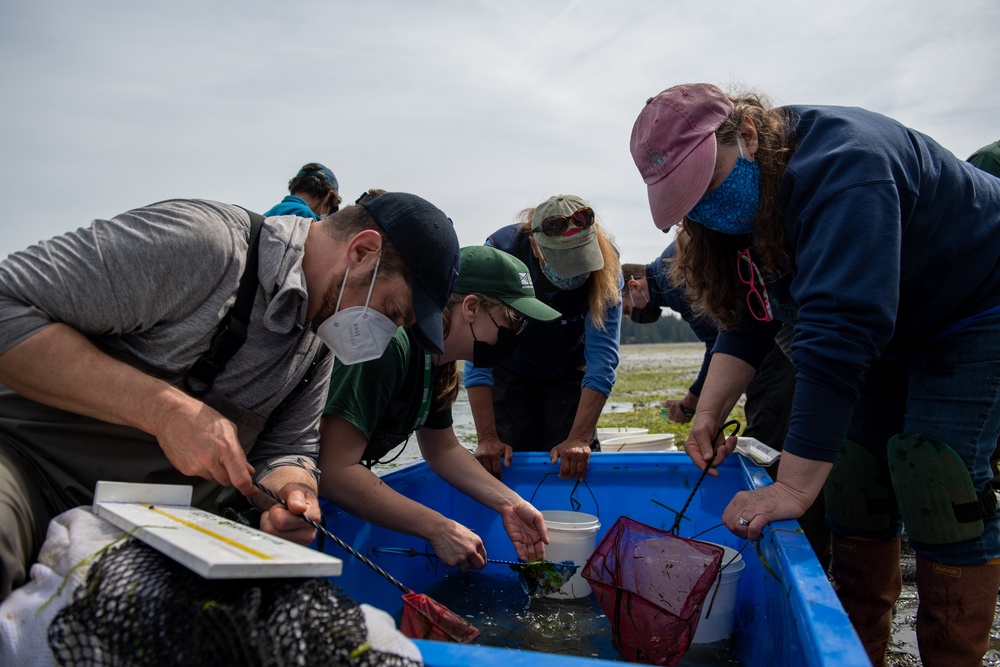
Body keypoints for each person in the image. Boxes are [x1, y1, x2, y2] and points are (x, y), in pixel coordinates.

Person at [629, 83, 1000, 667]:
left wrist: (795, 486)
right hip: (892, 325)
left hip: (973, 305)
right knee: (854, 477)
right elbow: (749, 316)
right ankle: (857, 655)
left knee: (938, 474)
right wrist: (706, 414)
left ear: (747, 134)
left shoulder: (847, 166)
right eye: (688, 199)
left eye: (709, 182)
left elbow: (839, 332)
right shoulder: (743, 216)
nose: (705, 208)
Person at [0, 192, 461, 602]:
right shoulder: (205, 244)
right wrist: (161, 409)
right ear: (362, 252)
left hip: (160, 523)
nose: (381, 336)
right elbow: (7, 306)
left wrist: (292, 493)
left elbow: (288, 449)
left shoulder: (321, 341)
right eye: (390, 311)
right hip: (28, 467)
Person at [318, 245, 561, 570]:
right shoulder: (391, 346)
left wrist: (512, 504)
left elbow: (443, 450)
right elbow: (333, 470)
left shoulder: (439, 363)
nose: (516, 337)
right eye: (512, 321)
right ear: (471, 307)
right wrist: (437, 527)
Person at [622, 246, 831, 569]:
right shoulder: (671, 274)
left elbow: (719, 344)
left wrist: (691, 405)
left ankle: (807, 553)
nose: (628, 315)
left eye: (623, 308)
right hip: (760, 350)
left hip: (772, 356)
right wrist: (705, 413)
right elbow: (731, 336)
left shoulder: (674, 276)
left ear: (634, 286)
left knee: (773, 445)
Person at [464, 194, 622, 482]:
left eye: (581, 261)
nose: (574, 273)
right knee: (509, 458)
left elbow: (603, 360)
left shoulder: (608, 267)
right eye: (564, 262)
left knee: (573, 462)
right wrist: (487, 436)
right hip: (508, 366)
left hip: (568, 369)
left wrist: (579, 437)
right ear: (536, 247)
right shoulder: (501, 254)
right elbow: (478, 354)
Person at [264, 162, 342, 220]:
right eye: (329, 211)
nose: (327, 216)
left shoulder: (266, 216)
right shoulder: (305, 216)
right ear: (328, 196)